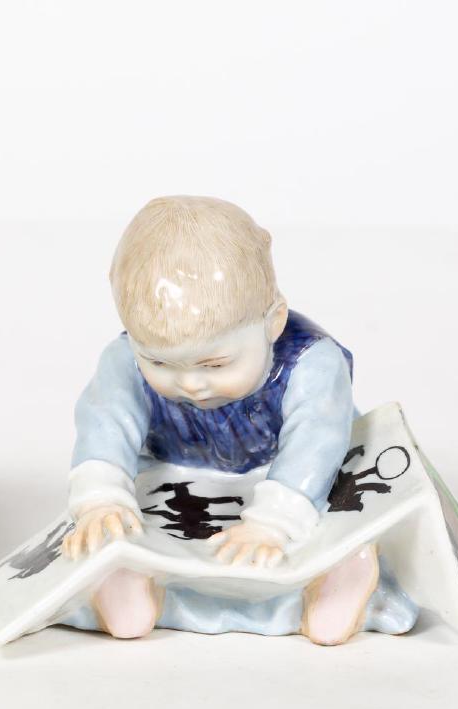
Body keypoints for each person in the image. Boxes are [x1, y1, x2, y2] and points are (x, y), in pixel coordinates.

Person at [59, 196, 416, 644]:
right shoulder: (123, 359)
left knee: (334, 521)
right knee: (120, 529)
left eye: (215, 364)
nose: (190, 384)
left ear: (273, 321)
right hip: (180, 482)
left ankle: (334, 580)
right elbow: (105, 425)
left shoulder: (311, 362)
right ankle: (129, 580)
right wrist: (101, 499)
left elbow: (317, 442)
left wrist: (273, 523)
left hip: (292, 482)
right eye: (160, 363)